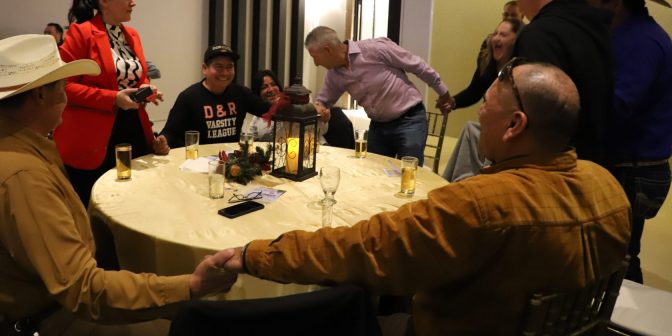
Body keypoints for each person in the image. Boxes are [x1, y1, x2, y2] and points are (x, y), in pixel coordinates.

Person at [215, 62, 631, 335]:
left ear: (514, 125)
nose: (479, 114)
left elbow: (363, 249)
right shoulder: (608, 187)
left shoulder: (481, 203)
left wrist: (256, 254)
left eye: (486, 106)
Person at [0, 34, 236, 334]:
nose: (67, 97)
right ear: (40, 96)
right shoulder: (22, 177)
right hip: (42, 316)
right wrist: (192, 285)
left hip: (8, 292)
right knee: (193, 326)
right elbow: (84, 292)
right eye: (63, 87)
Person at [576, 0, 672, 283]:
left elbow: (617, 106)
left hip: (631, 170)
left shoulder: (639, 42)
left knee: (617, 259)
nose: (585, 6)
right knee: (617, 254)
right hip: (632, 167)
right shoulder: (636, 35)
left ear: (614, 2)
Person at [53, 0, 169, 207]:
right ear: (104, 1)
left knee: (133, 201)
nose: (133, 3)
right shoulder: (81, 32)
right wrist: (113, 98)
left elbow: (137, 75)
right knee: (97, 206)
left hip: (132, 128)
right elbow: (63, 85)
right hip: (93, 136)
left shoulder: (132, 34)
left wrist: (146, 88)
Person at [509, 0, 613, 164]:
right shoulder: (599, 24)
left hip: (555, 165)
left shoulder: (539, 34)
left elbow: (539, 112)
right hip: (594, 160)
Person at [305, 26, 452, 161]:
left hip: (409, 120)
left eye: (314, 57)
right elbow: (323, 102)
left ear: (327, 50)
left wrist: (443, 93)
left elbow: (418, 66)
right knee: (373, 171)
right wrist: (320, 109)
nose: (316, 63)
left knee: (408, 171)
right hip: (378, 126)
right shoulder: (334, 75)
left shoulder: (375, 48)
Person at [442, 19, 525, 182]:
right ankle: (455, 182)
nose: (496, 38)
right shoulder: (489, 66)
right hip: (492, 124)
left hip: (510, 132)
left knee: (480, 134)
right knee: (470, 129)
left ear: (515, 40)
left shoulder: (520, 70)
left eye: (503, 35)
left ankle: (472, 182)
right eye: (495, 34)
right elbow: (474, 91)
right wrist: (453, 102)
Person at [161, 45, 270, 148]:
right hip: (197, 159)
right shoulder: (188, 97)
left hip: (231, 158)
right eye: (219, 67)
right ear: (204, 68)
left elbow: (268, 110)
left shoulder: (241, 93)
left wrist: (279, 99)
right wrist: (162, 143)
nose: (225, 73)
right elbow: (170, 132)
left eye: (230, 67)